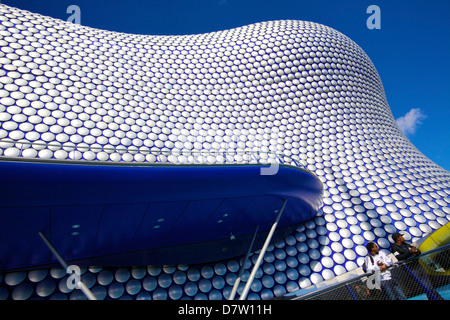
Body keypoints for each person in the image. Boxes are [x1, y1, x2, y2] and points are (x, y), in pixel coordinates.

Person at [390, 232, 444, 300]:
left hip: (418, 265)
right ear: (398, 238)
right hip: (411, 269)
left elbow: (417, 250)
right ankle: (438, 298)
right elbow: (399, 257)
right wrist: (410, 252)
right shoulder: (394, 247)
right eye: (401, 236)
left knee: (428, 285)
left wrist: (416, 251)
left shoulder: (406, 244)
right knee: (425, 286)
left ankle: (434, 298)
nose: (403, 237)